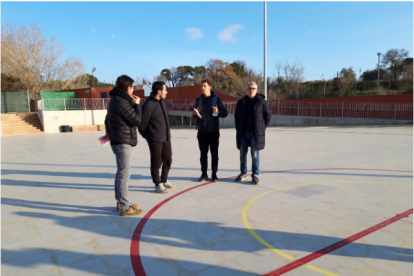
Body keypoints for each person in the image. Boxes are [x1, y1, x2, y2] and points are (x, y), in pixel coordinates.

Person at [104, 75, 144, 216]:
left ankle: (121, 203)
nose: (133, 90)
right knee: (124, 174)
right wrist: (137, 105)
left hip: (119, 139)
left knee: (121, 172)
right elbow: (137, 120)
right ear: (128, 88)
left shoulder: (115, 100)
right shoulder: (121, 102)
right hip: (122, 141)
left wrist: (109, 132)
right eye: (133, 87)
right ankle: (125, 206)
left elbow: (106, 119)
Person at [138, 81, 175, 194]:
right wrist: (150, 137)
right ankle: (157, 184)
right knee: (156, 162)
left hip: (166, 138)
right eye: (165, 90)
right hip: (155, 140)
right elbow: (141, 125)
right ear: (159, 91)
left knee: (168, 159)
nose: (166, 92)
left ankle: (164, 180)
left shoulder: (162, 102)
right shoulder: (148, 105)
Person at [234, 81, 271, 185]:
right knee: (242, 155)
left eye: (253, 88)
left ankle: (255, 175)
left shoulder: (261, 101)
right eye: (249, 88)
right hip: (243, 133)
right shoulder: (241, 102)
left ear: (256, 90)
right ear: (246, 90)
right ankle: (243, 173)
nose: (251, 90)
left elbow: (268, 116)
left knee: (255, 155)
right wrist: (238, 128)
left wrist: (261, 129)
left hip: (255, 134)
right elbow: (236, 117)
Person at [192, 79, 228, 182]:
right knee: (203, 155)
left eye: (204, 86)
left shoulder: (216, 99)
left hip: (213, 132)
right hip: (202, 132)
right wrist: (194, 114)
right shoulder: (199, 100)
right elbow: (195, 115)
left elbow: (225, 113)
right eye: (201, 86)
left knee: (214, 154)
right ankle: (204, 174)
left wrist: (218, 111)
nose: (202, 88)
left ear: (209, 87)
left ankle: (214, 174)